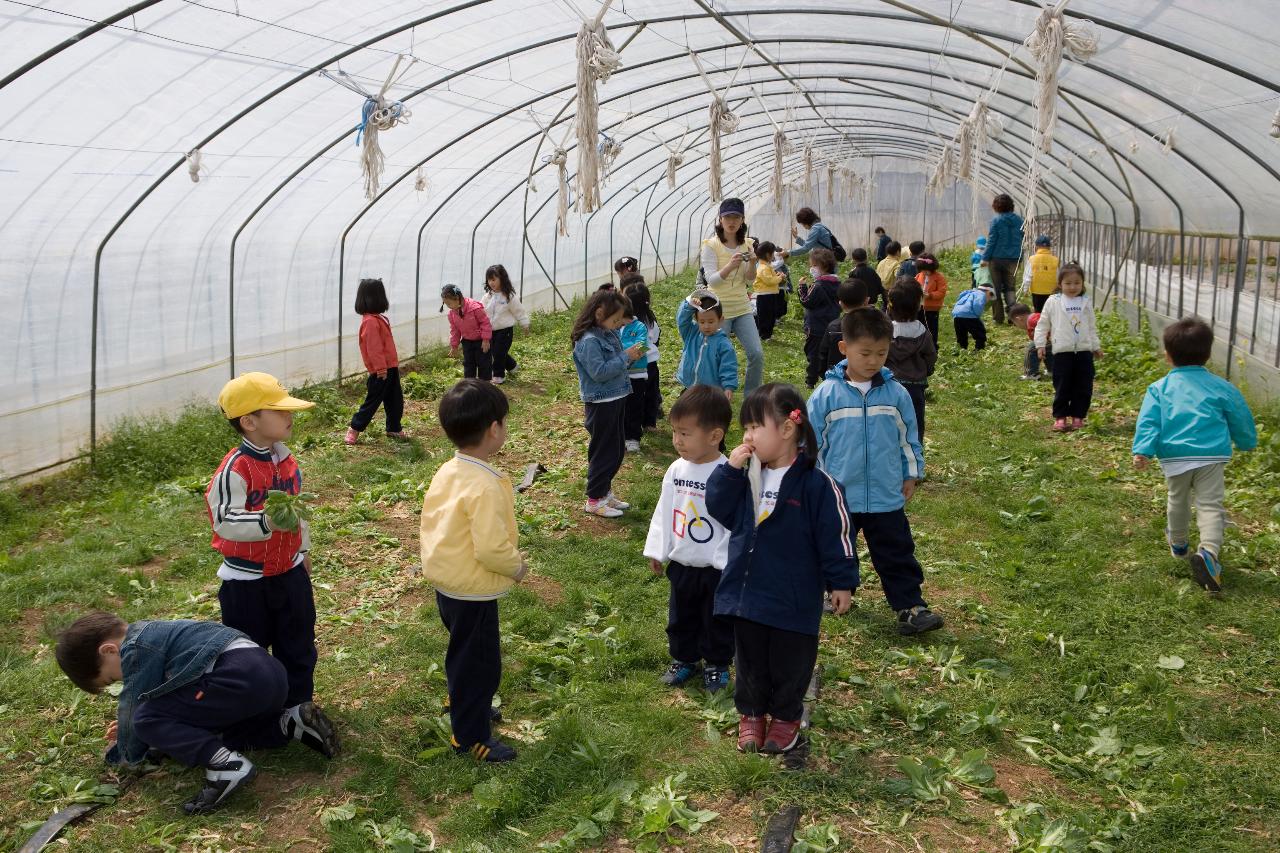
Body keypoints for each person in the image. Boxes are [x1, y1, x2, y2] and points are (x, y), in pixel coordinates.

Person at [55, 614, 339, 814]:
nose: (121, 682)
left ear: (108, 650)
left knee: (146, 719)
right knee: (212, 731)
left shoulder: (136, 646)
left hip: (235, 676)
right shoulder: (161, 631)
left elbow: (135, 707)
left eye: (110, 679)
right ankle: (289, 723)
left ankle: (225, 767)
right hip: (267, 675)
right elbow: (178, 705)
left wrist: (125, 750)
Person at [705, 384, 858, 754]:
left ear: (787, 430)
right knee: (751, 660)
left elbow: (835, 535)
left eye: (755, 427)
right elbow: (719, 509)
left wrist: (842, 582)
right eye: (746, 428)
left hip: (792, 597)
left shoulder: (818, 485)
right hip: (749, 592)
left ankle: (786, 718)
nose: (747, 436)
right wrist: (729, 469)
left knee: (791, 664)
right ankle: (752, 716)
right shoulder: (746, 477)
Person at [807, 308, 943, 636]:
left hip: (885, 493)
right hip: (839, 496)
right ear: (844, 349)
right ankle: (835, 592)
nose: (873, 360)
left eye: (881, 353)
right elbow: (811, 446)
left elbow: (909, 438)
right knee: (836, 548)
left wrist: (911, 473)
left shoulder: (896, 394)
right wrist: (813, 485)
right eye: (865, 353)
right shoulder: (826, 395)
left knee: (896, 551)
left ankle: (910, 607)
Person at [420, 380, 528, 762]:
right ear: (494, 429)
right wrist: (516, 567)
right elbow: (491, 548)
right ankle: (470, 736)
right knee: (480, 664)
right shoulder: (484, 484)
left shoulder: (450, 469)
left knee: (462, 652)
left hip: (448, 580)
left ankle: (463, 701)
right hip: (473, 588)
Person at [209, 373, 320, 710]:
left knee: (299, 642)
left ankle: (297, 706)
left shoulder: (286, 461)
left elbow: (297, 510)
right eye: (279, 411)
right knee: (250, 650)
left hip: (290, 572)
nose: (289, 417)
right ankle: (258, 707)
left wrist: (303, 550)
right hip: (247, 582)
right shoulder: (235, 469)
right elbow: (224, 520)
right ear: (249, 421)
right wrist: (266, 521)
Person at [1132, 318, 1258, 592]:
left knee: (1178, 499)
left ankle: (1178, 545)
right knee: (1210, 504)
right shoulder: (1221, 386)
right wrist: (1247, 441)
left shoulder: (1159, 389)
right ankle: (1209, 552)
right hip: (1211, 454)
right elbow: (1239, 415)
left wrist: (1143, 450)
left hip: (1176, 455)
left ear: (1167, 355)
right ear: (1209, 353)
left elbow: (1149, 422)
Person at [644, 385, 735, 693]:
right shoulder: (676, 469)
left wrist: (727, 561)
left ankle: (716, 663)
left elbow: (735, 524)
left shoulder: (728, 473)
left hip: (716, 565)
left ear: (714, 436)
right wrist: (658, 549)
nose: (677, 441)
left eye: (685, 433)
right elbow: (664, 510)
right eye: (675, 432)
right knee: (681, 615)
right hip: (683, 559)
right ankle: (684, 658)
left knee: (716, 618)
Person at [572, 289, 646, 517]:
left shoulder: (607, 333)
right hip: (601, 403)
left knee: (615, 451)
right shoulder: (589, 341)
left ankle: (604, 493)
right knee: (603, 452)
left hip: (616, 398)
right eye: (614, 320)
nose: (617, 325)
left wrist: (630, 356)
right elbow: (599, 372)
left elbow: (615, 363)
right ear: (599, 313)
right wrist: (626, 356)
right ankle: (594, 500)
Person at [700, 198, 765, 394]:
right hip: (719, 310)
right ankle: (716, 395)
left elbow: (750, 279)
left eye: (736, 217)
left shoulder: (747, 244)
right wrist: (730, 266)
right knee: (716, 354)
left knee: (756, 353)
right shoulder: (711, 245)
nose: (732, 221)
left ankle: (752, 397)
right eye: (728, 217)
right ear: (720, 219)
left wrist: (752, 262)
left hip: (742, 306)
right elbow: (711, 281)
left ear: (742, 220)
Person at [1034, 262, 1102, 431]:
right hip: (1062, 351)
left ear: (1083, 283)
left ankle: (1078, 417)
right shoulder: (1054, 301)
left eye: (1077, 283)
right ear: (1060, 284)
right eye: (1068, 283)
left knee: (1084, 385)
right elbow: (1043, 324)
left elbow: (1091, 326)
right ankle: (1060, 417)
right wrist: (1040, 344)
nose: (1073, 287)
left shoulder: (1085, 302)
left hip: (1084, 352)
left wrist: (1095, 346)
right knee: (1062, 384)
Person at [345, 278, 407, 446]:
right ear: (376, 297)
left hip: (390, 367)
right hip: (381, 370)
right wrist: (380, 368)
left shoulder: (377, 318)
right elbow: (374, 348)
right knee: (372, 402)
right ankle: (354, 428)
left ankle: (394, 428)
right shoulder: (371, 322)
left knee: (395, 400)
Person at [886, 283, 937, 443]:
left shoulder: (886, 332)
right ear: (918, 306)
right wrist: (926, 370)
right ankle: (915, 454)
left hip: (889, 384)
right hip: (915, 386)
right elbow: (931, 356)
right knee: (915, 421)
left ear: (890, 306)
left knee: (889, 421)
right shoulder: (923, 333)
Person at [676, 289, 739, 399]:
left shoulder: (723, 344)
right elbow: (682, 320)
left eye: (711, 322)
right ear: (696, 320)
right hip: (689, 387)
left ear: (720, 320)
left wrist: (728, 387)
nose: (706, 326)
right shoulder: (691, 333)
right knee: (686, 414)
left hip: (710, 393)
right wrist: (689, 305)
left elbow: (728, 367)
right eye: (702, 322)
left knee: (706, 416)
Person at [622, 276, 663, 431]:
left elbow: (642, 344)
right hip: (651, 364)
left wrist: (636, 354)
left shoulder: (629, 323)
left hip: (636, 365)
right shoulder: (650, 320)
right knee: (651, 393)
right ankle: (649, 423)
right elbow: (655, 338)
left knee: (635, 396)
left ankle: (635, 424)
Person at [798, 247, 842, 388]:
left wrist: (802, 287)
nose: (812, 268)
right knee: (829, 352)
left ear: (823, 266)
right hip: (832, 324)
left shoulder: (818, 286)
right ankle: (828, 376)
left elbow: (807, 302)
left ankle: (811, 380)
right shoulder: (837, 284)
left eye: (814, 265)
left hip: (815, 326)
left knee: (813, 353)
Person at [978, 193, 1025, 324]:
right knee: (1010, 288)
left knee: (995, 288)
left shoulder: (996, 221)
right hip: (1014, 258)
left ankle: (998, 317)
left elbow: (992, 240)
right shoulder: (1020, 220)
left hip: (997, 258)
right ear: (1011, 206)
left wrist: (985, 258)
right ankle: (1013, 316)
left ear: (996, 207)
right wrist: (1020, 256)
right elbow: (1023, 239)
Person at [482, 264, 530, 385]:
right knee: (497, 352)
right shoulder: (488, 296)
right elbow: (481, 309)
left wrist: (525, 324)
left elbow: (519, 311)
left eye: (494, 279)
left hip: (505, 330)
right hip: (491, 330)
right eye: (489, 280)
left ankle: (498, 375)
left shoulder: (509, 296)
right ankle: (513, 366)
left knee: (498, 352)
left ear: (502, 278)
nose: (491, 283)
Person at [818, 279, 869, 374]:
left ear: (840, 303)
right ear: (866, 301)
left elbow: (823, 353)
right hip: (864, 376)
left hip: (837, 375)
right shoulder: (873, 327)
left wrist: (824, 374)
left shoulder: (833, 327)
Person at [442, 284, 493, 381]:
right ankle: (470, 384)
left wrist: (486, 340)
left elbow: (485, 323)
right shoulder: (452, 314)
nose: (448, 307)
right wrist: (454, 346)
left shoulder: (474, 308)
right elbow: (455, 330)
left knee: (484, 363)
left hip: (481, 341)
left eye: (449, 303)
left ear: (457, 298)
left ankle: (485, 385)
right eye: (446, 304)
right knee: (468, 364)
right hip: (467, 342)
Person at [619, 300, 650, 453]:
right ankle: (622, 436)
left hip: (637, 376)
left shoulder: (640, 327)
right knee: (621, 407)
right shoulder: (616, 328)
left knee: (634, 407)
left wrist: (622, 350)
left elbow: (643, 347)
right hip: (619, 375)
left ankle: (633, 438)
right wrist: (629, 349)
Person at [752, 240, 786, 341]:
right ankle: (764, 335)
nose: (773, 257)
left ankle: (768, 334)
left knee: (771, 315)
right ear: (768, 255)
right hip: (764, 296)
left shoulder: (767, 266)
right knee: (765, 316)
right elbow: (769, 281)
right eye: (772, 254)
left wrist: (778, 275)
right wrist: (779, 278)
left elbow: (771, 277)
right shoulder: (763, 268)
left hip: (770, 294)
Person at [1009, 303, 1049, 380]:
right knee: (1048, 351)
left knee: (1031, 349)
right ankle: (1052, 370)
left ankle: (1031, 374)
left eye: (1015, 323)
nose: (1017, 326)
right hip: (1053, 340)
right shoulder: (1035, 317)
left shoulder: (1032, 320)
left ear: (1019, 319)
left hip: (1051, 339)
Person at [916, 253, 948, 348]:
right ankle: (920, 345)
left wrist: (930, 295)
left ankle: (933, 346)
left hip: (932, 308)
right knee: (920, 327)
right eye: (923, 270)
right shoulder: (919, 276)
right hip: (920, 307)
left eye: (927, 270)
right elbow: (914, 285)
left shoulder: (939, 278)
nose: (925, 272)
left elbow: (942, 292)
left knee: (932, 328)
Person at [1022, 234, 1060, 313]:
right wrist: (1058, 289)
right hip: (1051, 292)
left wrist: (1025, 289)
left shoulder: (1032, 259)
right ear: (1049, 247)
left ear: (1036, 247)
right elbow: (1058, 276)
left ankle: (1038, 324)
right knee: (1049, 311)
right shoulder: (1055, 260)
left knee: (1038, 311)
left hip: (1036, 291)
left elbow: (1028, 276)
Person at [952, 284, 995, 350]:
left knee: (961, 335)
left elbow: (959, 298)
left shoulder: (969, 292)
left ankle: (962, 349)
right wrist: (978, 315)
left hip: (957, 315)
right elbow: (977, 305)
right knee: (980, 333)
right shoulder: (981, 295)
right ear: (988, 292)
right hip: (969, 316)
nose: (989, 299)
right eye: (990, 296)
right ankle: (979, 349)